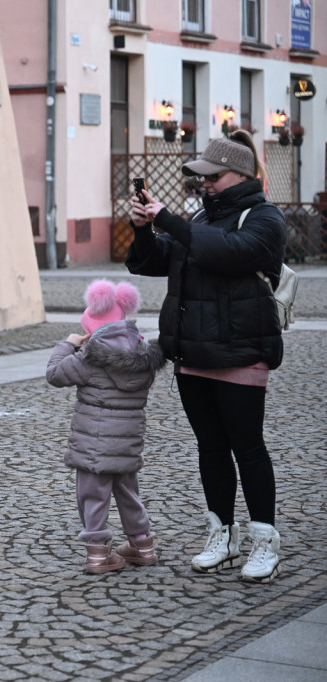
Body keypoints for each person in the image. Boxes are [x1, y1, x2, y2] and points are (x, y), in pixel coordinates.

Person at [127, 130, 286, 583]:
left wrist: (172, 222)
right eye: (201, 178)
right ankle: (223, 535)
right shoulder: (199, 216)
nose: (205, 185)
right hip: (193, 353)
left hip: (240, 351)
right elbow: (155, 260)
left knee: (248, 448)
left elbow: (228, 253)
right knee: (211, 448)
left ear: (238, 174)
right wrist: (143, 230)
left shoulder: (263, 217)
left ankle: (264, 541)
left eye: (212, 177)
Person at [45, 279, 167, 574]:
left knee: (93, 496)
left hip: (94, 445)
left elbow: (54, 374)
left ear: (92, 328)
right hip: (127, 442)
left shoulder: (89, 356)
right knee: (128, 494)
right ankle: (143, 545)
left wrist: (69, 344)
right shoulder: (143, 355)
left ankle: (99, 555)